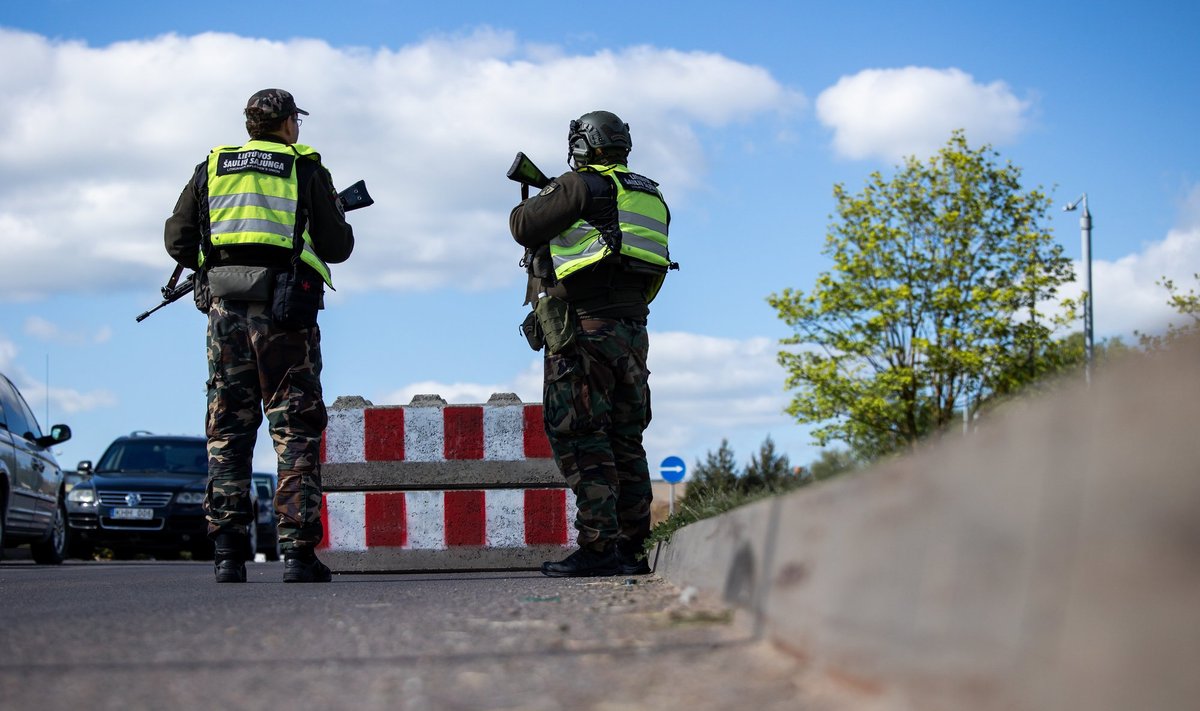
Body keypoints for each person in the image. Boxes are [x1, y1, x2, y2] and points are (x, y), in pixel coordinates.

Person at [164, 88, 355, 583]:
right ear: (288, 122)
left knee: (227, 430)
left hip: (224, 316)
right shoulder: (304, 167)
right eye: (297, 120)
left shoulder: (213, 165)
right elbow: (338, 247)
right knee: (294, 429)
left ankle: (228, 555)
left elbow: (177, 239)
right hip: (285, 316)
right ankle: (297, 554)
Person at [509, 110, 674, 577]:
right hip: (632, 331)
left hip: (584, 330)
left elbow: (522, 224)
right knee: (626, 439)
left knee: (583, 437)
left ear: (583, 145)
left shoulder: (579, 185)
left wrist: (546, 192)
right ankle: (631, 549)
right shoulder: (649, 194)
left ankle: (599, 548)